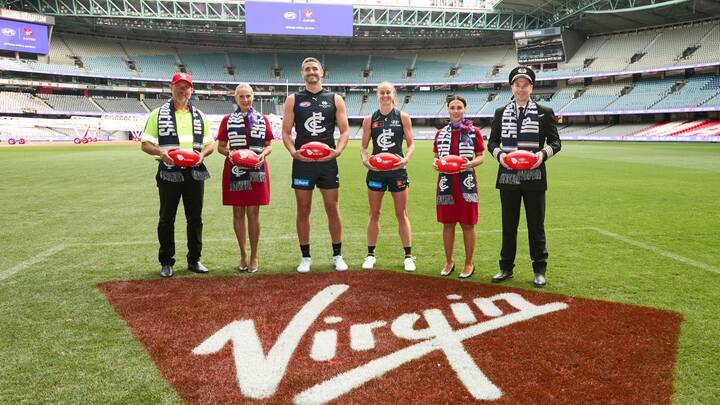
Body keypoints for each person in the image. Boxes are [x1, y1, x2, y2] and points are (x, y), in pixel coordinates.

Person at [487, 66, 561, 288]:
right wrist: (500, 156)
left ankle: (540, 269)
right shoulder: (501, 112)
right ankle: (506, 267)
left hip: (535, 176)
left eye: (525, 85)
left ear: (531, 87)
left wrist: (542, 154)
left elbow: (556, 143)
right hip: (508, 177)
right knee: (508, 225)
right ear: (511, 87)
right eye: (517, 85)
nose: (521, 89)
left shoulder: (544, 112)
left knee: (535, 225)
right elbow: (492, 142)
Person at [140, 72, 214, 278]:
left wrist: (202, 155)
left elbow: (210, 144)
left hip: (195, 173)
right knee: (166, 218)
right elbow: (145, 144)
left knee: (195, 219)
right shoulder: (157, 114)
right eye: (179, 86)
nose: (183, 90)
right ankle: (166, 261)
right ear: (171, 88)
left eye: (186, 87)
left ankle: (195, 260)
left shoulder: (200, 116)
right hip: (168, 173)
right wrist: (160, 153)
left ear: (191, 90)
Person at [281, 57, 350, 273]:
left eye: (315, 68)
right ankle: (305, 257)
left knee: (332, 207)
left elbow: (345, 130)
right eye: (307, 69)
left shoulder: (335, 98)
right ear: (302, 73)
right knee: (303, 209)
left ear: (322, 72)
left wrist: (337, 151)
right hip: (303, 163)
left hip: (327, 162)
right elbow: (285, 131)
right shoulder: (293, 99)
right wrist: (294, 152)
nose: (311, 72)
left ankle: (337, 255)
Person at [216, 84, 273, 273]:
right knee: (238, 213)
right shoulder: (227, 120)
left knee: (253, 214)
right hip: (235, 171)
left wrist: (263, 154)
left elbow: (269, 145)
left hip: (257, 169)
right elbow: (221, 146)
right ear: (235, 98)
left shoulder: (262, 119)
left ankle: (255, 256)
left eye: (248, 96)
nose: (245, 100)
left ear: (253, 97)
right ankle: (243, 255)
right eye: (241, 96)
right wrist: (231, 154)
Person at [359, 81, 416, 271]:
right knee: (374, 213)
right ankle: (370, 254)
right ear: (378, 95)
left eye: (388, 92)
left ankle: (408, 256)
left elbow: (411, 143)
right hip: (376, 172)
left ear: (394, 95)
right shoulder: (369, 119)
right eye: (381, 92)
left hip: (397, 171)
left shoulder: (403, 117)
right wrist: (365, 160)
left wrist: (406, 159)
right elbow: (364, 146)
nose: (384, 95)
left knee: (402, 213)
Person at [433, 95, 485, 279]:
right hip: (446, 182)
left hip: (466, 181)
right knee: (448, 223)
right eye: (452, 107)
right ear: (448, 109)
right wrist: (436, 163)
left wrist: (470, 164)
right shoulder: (440, 133)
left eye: (459, 107)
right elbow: (437, 157)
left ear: (465, 109)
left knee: (467, 223)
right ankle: (449, 261)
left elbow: (480, 156)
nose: (456, 111)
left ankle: (469, 263)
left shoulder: (473, 132)